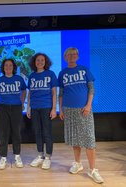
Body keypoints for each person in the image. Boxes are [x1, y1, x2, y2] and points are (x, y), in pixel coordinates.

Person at [58, 47, 104, 183]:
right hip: (68, 110)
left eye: (74, 54)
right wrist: (60, 109)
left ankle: (92, 170)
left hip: (84, 110)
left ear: (77, 56)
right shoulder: (62, 73)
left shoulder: (84, 70)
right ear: (65, 57)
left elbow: (91, 88)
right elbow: (61, 93)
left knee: (89, 139)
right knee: (75, 139)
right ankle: (77, 163)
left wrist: (89, 105)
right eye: (69, 55)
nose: (71, 56)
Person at [26, 53, 58, 169]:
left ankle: (48, 157)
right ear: (34, 62)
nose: (40, 62)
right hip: (34, 107)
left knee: (47, 133)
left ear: (46, 62)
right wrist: (28, 107)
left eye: (42, 60)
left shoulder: (50, 74)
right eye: (37, 60)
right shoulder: (32, 76)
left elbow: (54, 93)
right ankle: (40, 155)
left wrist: (54, 108)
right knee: (37, 132)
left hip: (46, 107)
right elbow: (30, 94)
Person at [0, 58, 27, 170]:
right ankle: (3, 157)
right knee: (3, 133)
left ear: (13, 67)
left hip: (16, 107)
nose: (8, 67)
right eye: (6, 65)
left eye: (10, 65)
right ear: (3, 68)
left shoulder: (19, 79)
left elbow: (24, 91)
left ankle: (17, 156)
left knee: (16, 132)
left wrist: (22, 103)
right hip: (2, 108)